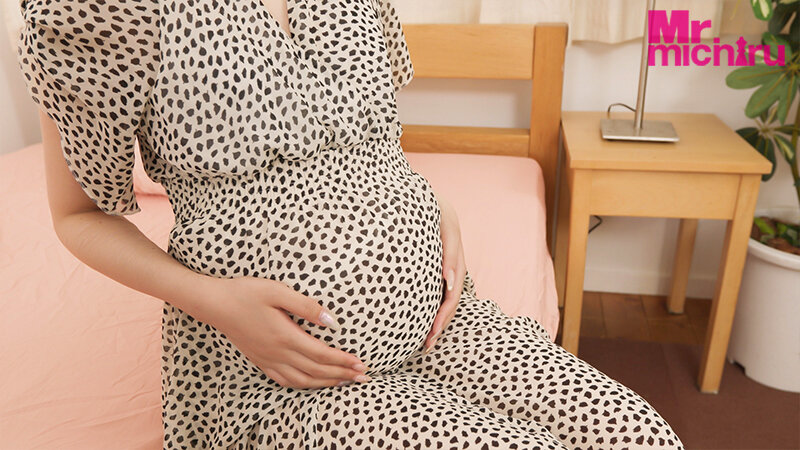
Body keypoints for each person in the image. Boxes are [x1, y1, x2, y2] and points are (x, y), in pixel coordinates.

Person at [15, 0, 685, 447]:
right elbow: (78, 216)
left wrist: (431, 200)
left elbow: (373, 142)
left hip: (443, 322)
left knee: (639, 435)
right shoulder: (104, 10)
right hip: (281, 376)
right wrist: (217, 301)